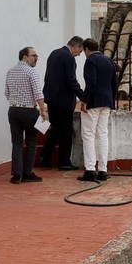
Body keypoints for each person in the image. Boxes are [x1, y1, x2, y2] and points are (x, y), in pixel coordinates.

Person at [3, 45, 49, 184]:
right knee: (30, 142)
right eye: (34, 56)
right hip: (29, 110)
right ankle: (27, 172)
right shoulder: (31, 72)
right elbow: (38, 93)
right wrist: (43, 110)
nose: (36, 58)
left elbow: (7, 93)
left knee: (16, 142)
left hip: (13, 109)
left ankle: (16, 174)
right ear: (25, 57)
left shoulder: (10, 72)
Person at [38, 35, 84, 171]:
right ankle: (64, 162)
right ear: (76, 47)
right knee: (66, 131)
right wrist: (83, 95)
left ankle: (45, 157)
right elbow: (71, 80)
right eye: (79, 51)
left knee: (55, 129)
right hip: (63, 100)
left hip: (51, 98)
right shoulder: (68, 58)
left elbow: (49, 76)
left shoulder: (54, 53)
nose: (79, 54)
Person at [78, 37, 116, 182]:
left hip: (93, 101)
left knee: (88, 134)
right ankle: (103, 169)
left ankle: (89, 170)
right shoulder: (108, 60)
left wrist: (85, 100)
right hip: (106, 101)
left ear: (87, 49)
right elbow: (114, 83)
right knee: (103, 135)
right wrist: (111, 100)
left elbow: (91, 82)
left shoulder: (90, 61)